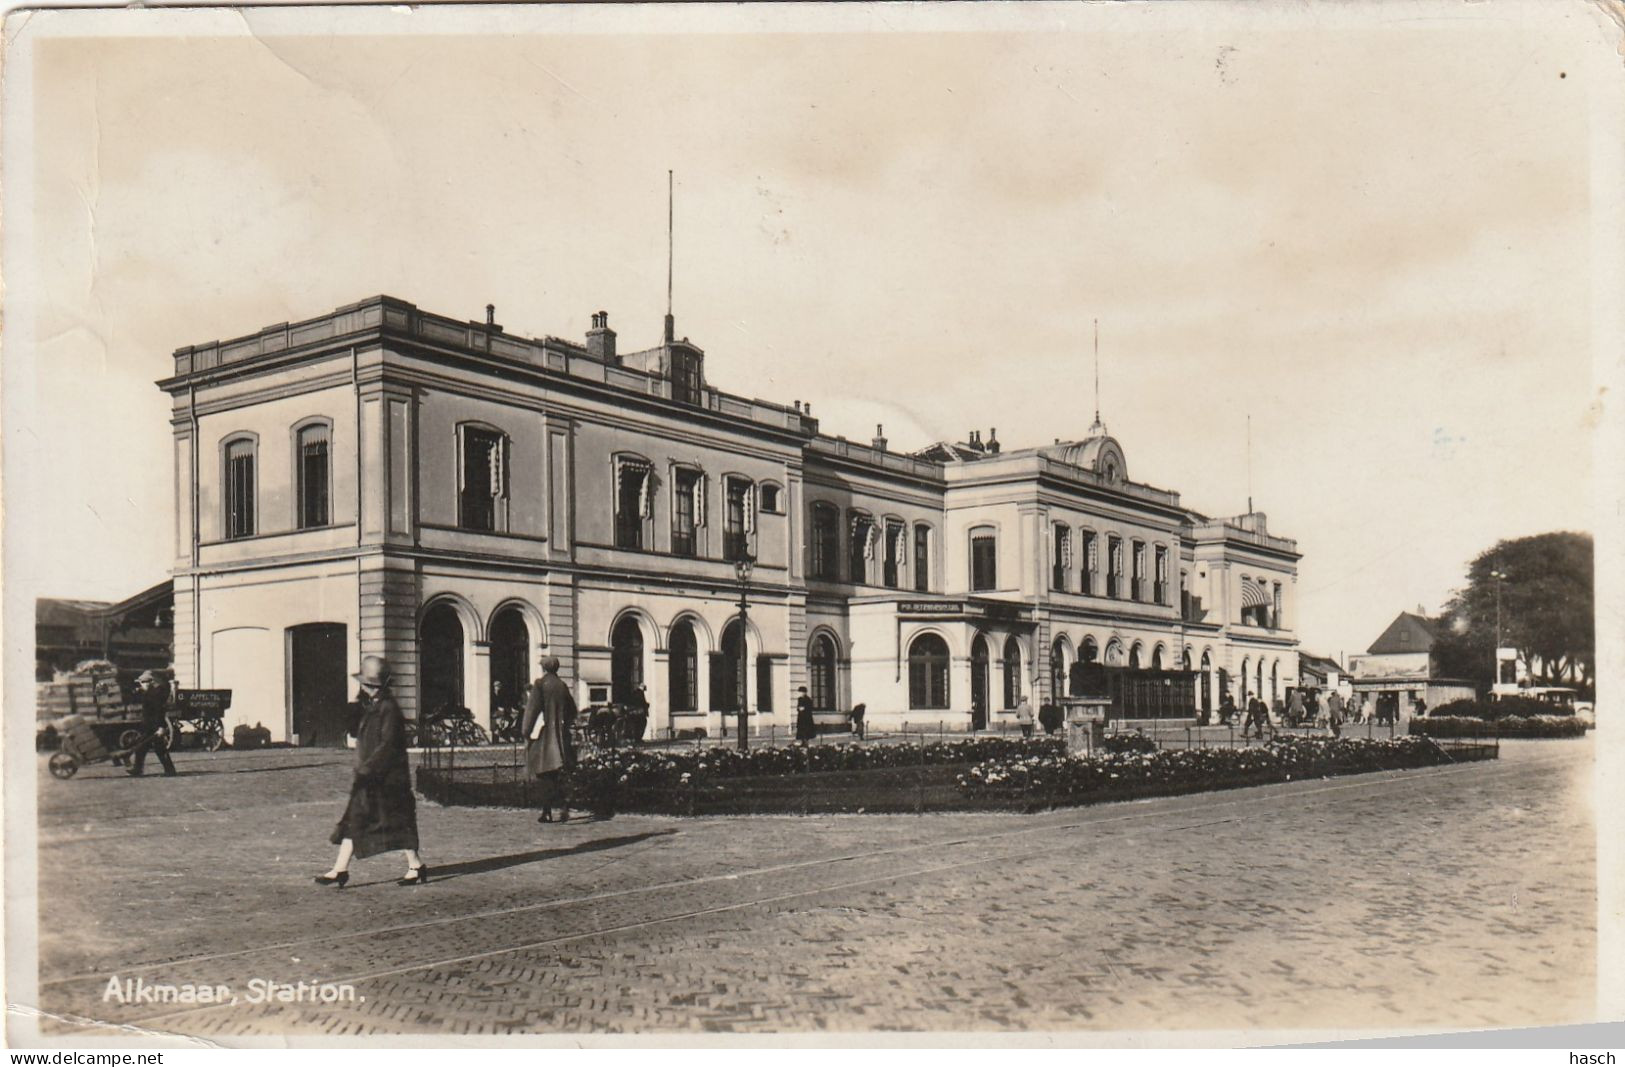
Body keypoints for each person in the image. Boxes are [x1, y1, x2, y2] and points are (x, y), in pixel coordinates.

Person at [317, 656, 425, 887]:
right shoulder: (372, 707)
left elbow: (387, 745)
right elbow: (357, 733)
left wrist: (368, 769)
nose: (365, 689)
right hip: (371, 777)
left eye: (368, 686)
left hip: (386, 779)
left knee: (398, 822)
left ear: (377, 687)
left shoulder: (389, 709)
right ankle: (340, 869)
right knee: (355, 819)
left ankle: (416, 866)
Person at [524, 656, 578, 823]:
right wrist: (566, 724)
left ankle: (547, 811)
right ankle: (564, 802)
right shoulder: (562, 685)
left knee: (543, 772)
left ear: (544, 668)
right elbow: (572, 710)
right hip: (562, 735)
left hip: (548, 735)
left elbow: (532, 710)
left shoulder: (540, 684)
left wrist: (526, 731)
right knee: (558, 771)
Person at [127, 671, 177, 777]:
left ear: (150, 682)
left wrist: (161, 727)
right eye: (142, 682)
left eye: (145, 682)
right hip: (149, 727)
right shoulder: (148, 693)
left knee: (156, 749)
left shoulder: (154, 695)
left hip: (154, 727)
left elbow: (159, 712)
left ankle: (169, 770)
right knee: (144, 748)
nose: (143, 684)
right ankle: (138, 769)